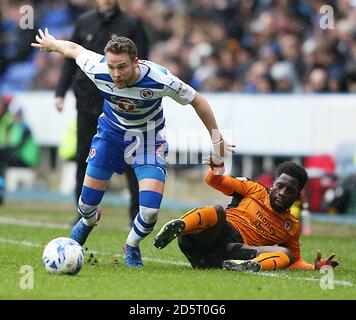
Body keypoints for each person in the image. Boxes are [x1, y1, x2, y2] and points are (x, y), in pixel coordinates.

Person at [31, 28, 234, 267]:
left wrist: (216, 137)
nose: (115, 73)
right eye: (111, 67)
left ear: (136, 62)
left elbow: (197, 100)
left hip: (148, 140)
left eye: (122, 67)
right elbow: (75, 50)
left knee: (149, 212)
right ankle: (88, 221)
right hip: (111, 135)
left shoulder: (160, 79)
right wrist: (53, 44)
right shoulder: (97, 68)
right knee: (86, 205)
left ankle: (132, 244)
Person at [54, 0, 149, 224]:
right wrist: (60, 91)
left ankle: (135, 214)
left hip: (120, 105)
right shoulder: (84, 22)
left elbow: (143, 62)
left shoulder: (131, 24)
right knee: (84, 156)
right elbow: (71, 59)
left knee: (130, 158)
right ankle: (83, 212)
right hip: (87, 102)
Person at [154, 159, 339, 272]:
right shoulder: (254, 189)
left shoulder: (292, 226)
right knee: (217, 211)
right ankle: (178, 227)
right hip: (204, 238)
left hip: (227, 254)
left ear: (298, 196)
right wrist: (216, 168)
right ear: (273, 184)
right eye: (280, 186)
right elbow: (213, 180)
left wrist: (314, 267)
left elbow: (295, 261)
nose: (282, 192)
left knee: (286, 253)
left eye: (290, 190)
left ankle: (250, 266)